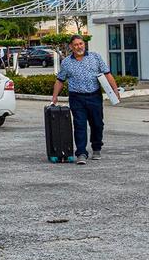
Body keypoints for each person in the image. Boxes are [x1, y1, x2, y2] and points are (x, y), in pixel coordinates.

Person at [51, 35, 121, 165]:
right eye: (76, 45)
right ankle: (81, 153)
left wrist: (115, 91)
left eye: (81, 44)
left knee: (97, 124)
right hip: (76, 98)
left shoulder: (95, 57)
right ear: (71, 47)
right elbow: (60, 80)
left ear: (84, 44)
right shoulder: (66, 62)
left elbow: (107, 74)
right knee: (79, 125)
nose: (79, 47)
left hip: (94, 96)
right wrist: (54, 97)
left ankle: (96, 148)